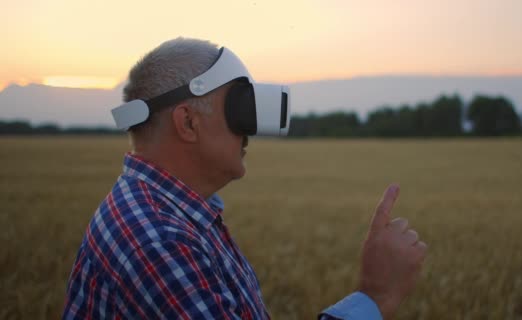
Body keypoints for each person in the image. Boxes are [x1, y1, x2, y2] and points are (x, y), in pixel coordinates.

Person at [62, 37, 427, 320]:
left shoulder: (170, 213)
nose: (250, 128)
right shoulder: (159, 239)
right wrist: (375, 296)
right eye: (239, 107)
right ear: (188, 122)